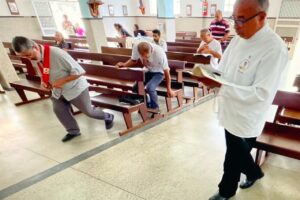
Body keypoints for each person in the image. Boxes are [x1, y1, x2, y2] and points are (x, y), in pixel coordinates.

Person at [204, 0, 288, 199]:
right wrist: (211, 75)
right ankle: (254, 172)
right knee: (237, 152)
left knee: (232, 156)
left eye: (241, 20)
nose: (235, 26)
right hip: (229, 108)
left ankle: (226, 191)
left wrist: (222, 86)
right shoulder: (238, 38)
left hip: (248, 115)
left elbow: (262, 93)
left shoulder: (274, 48)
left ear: (261, 17)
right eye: (234, 19)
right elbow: (224, 67)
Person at [12, 36, 114, 142]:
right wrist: (43, 81)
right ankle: (73, 131)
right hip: (58, 90)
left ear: (35, 47)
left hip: (75, 87)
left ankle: (108, 116)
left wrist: (62, 81)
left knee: (89, 112)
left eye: (28, 55)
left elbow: (80, 71)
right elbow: (45, 70)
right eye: (24, 57)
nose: (28, 58)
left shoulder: (57, 54)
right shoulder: (37, 55)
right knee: (59, 110)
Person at [116, 42, 175, 110]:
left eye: (147, 56)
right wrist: (124, 65)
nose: (145, 58)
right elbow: (133, 60)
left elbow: (167, 72)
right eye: (142, 56)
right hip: (148, 70)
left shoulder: (159, 53)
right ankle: (145, 103)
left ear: (151, 51)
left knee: (150, 88)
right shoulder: (136, 47)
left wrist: (169, 89)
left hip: (159, 72)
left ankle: (155, 108)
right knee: (135, 88)